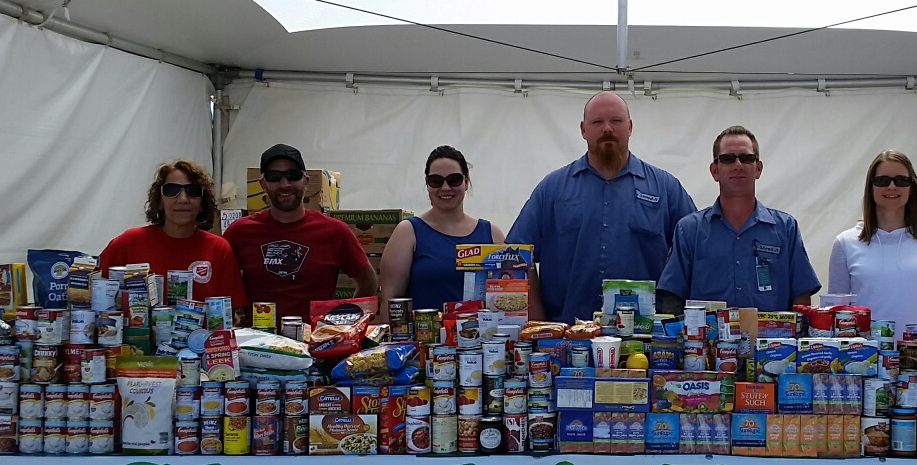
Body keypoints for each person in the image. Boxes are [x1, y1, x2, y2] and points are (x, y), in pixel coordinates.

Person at [508, 91, 695, 323]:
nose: (607, 128)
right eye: (597, 122)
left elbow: (694, 255)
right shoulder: (552, 189)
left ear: (630, 127)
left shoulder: (665, 188)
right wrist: (538, 323)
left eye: (616, 121)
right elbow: (516, 257)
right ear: (583, 130)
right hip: (567, 339)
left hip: (647, 338)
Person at [656, 126, 820, 312]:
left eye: (746, 158)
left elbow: (801, 295)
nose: (738, 165)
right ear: (715, 171)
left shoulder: (786, 228)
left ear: (758, 169)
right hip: (708, 341)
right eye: (727, 159)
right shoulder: (689, 230)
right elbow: (672, 296)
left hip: (772, 340)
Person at [224, 143, 379, 321]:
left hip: (316, 343)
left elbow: (368, 281)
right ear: (263, 184)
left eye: (293, 175)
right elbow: (220, 283)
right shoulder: (240, 232)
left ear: (305, 181)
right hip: (260, 344)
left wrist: (345, 322)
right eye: (274, 176)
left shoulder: (335, 231)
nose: (285, 184)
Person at [826, 151, 917, 330]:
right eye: (882, 180)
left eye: (901, 180)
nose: (892, 187)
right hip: (862, 356)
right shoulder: (845, 243)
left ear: (912, 188)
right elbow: (836, 315)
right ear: (871, 188)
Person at [98, 159, 249, 310]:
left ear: (202, 202)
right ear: (159, 201)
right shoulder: (128, 242)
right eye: (171, 190)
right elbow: (93, 292)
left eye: (192, 191)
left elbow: (230, 314)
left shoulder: (219, 248)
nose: (183, 199)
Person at [377, 146, 504, 312]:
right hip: (424, 336)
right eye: (436, 180)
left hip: (484, 337)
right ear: (427, 184)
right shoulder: (407, 233)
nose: (445, 187)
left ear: (466, 182)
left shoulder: (493, 234)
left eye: (454, 179)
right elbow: (391, 304)